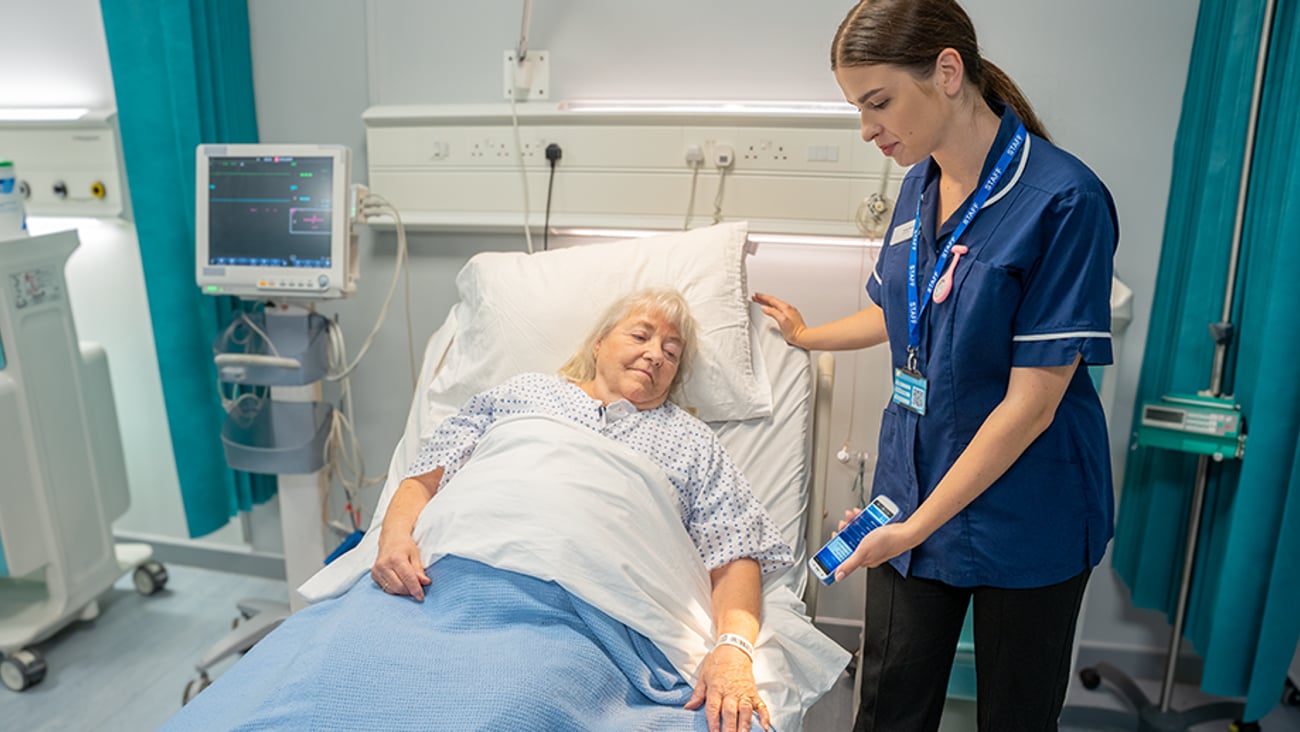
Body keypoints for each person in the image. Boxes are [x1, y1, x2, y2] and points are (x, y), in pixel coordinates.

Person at [753, 1, 1118, 729]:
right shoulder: (919, 185)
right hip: (911, 489)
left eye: (878, 102)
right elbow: (904, 310)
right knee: (889, 708)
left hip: (1028, 510)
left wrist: (915, 527)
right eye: (858, 107)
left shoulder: (1065, 201)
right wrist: (808, 336)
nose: (867, 129)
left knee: (1015, 716)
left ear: (948, 71)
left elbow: (1032, 404)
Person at [374, 287, 791, 732]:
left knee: (519, 703)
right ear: (598, 344)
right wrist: (394, 538)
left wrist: (732, 648)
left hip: (589, 613)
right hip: (448, 580)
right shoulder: (525, 391)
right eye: (640, 337)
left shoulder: (693, 441)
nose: (655, 355)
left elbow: (735, 552)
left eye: (671, 353)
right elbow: (424, 476)